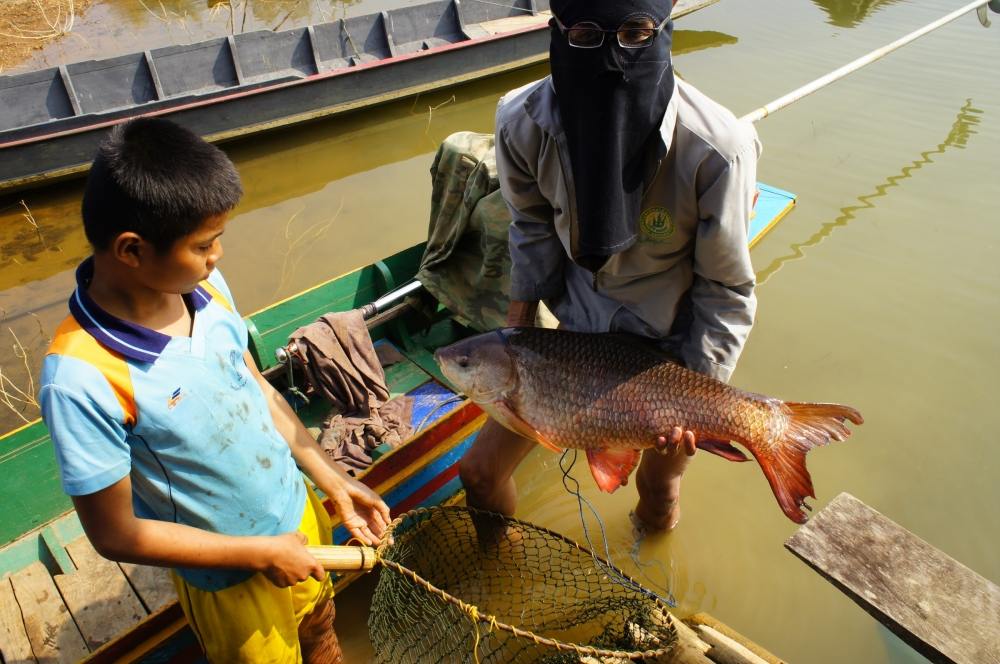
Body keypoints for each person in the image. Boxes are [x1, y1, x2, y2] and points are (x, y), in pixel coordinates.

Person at [39, 118, 390, 663]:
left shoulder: (203, 286)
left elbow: (254, 388)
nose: (218, 256)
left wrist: (332, 477)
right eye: (205, 244)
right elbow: (116, 536)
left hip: (295, 517)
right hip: (231, 575)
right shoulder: (82, 378)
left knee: (321, 626)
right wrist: (256, 553)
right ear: (131, 250)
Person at [459, 0, 760, 532]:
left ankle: (650, 571)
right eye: (584, 34)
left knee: (658, 489)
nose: (610, 54)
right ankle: (496, 573)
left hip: (672, 350)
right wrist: (514, 344)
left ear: (663, 30)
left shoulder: (720, 149)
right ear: (556, 32)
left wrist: (694, 398)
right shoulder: (519, 121)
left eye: (634, 32)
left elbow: (725, 288)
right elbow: (530, 229)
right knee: (479, 473)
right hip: (575, 338)